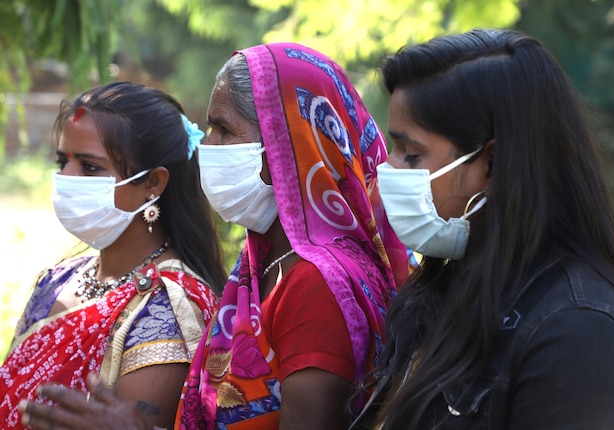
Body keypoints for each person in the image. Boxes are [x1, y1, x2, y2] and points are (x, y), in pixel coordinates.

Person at [17, 43, 409, 430]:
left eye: (223, 129)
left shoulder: (315, 283)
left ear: (289, 145)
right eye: (209, 128)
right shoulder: (265, 267)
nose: (207, 146)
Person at [348, 28, 614, 429]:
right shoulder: (444, 287)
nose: (387, 168)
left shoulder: (578, 330)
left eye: (410, 153)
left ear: (491, 164)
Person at [2, 81, 227, 430]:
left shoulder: (169, 307)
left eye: (90, 168)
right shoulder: (60, 278)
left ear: (153, 183)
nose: (66, 178)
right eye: (63, 161)